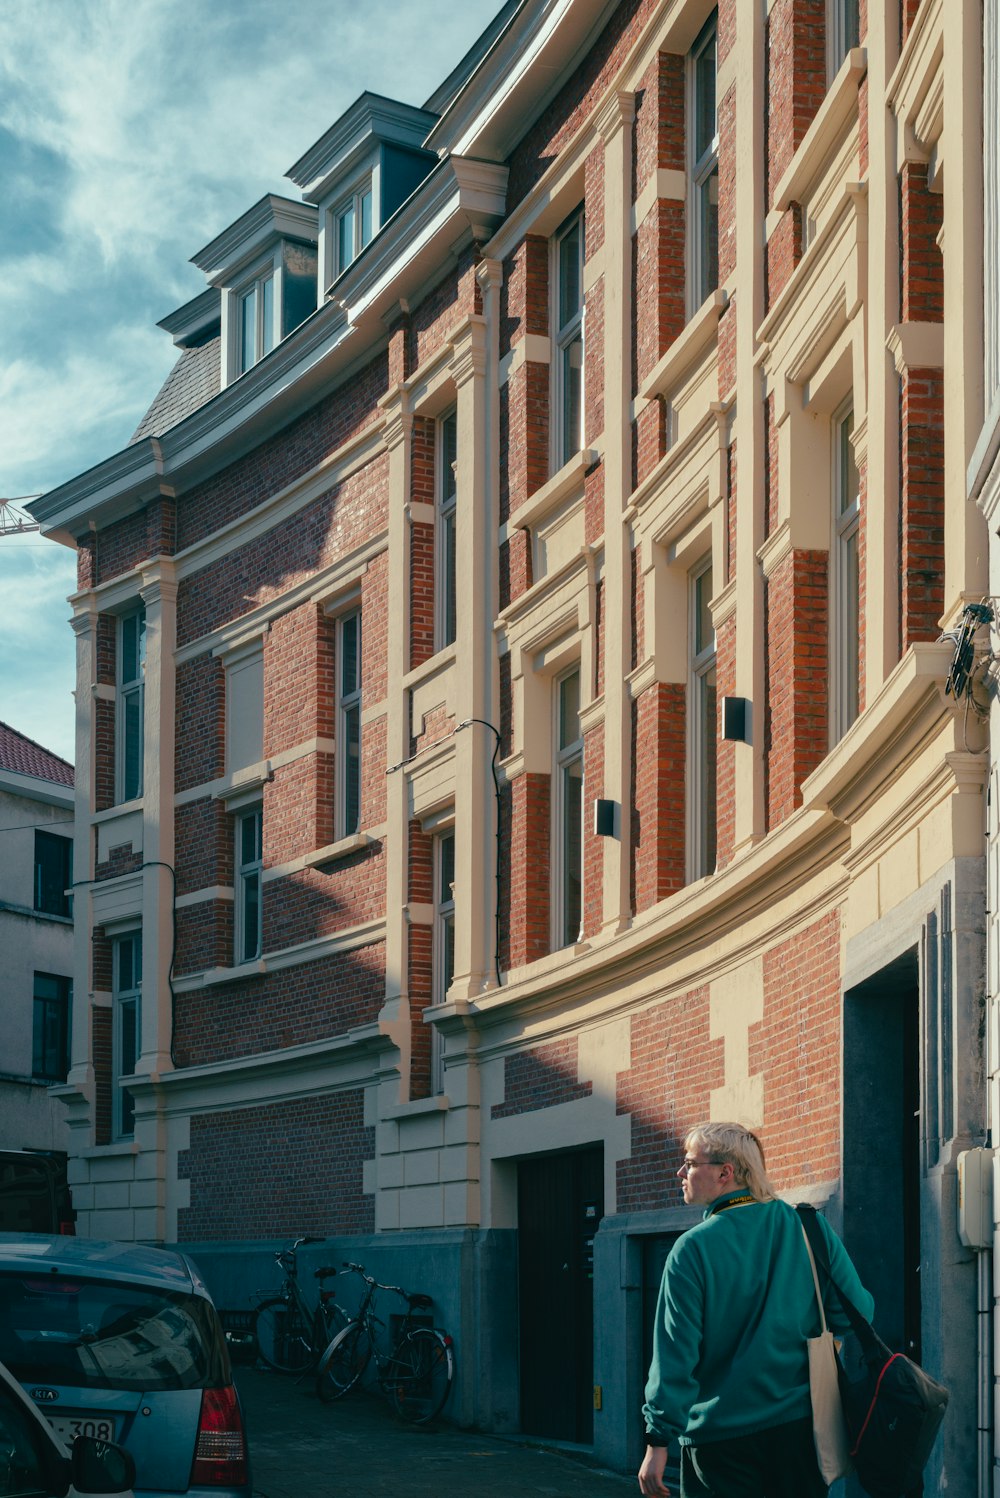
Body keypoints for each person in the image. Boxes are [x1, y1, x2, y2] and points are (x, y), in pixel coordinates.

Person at [638, 1121, 874, 1498]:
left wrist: (656, 1441)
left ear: (724, 1173)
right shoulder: (807, 1226)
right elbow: (856, 1314)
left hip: (720, 1441)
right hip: (800, 1432)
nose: (680, 1173)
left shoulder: (691, 1250)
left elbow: (675, 1356)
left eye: (689, 1163)